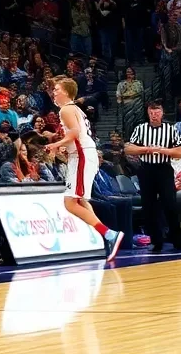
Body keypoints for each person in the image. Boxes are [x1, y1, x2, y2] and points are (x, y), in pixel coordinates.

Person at [44, 75, 124, 260]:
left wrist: (55, 145)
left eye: (56, 89)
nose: (54, 93)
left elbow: (74, 133)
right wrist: (65, 145)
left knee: (70, 203)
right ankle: (105, 236)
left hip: (81, 157)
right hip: (82, 155)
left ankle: (109, 235)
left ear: (66, 92)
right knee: (80, 201)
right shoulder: (74, 109)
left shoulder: (66, 110)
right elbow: (76, 135)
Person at [125, 99, 181, 252]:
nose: (154, 115)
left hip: (164, 168)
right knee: (149, 206)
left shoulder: (170, 129)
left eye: (157, 112)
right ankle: (156, 241)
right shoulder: (141, 128)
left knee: (170, 204)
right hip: (146, 169)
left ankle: (176, 238)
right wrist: (146, 150)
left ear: (162, 113)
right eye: (151, 112)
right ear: (148, 113)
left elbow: (180, 151)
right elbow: (129, 149)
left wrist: (162, 150)